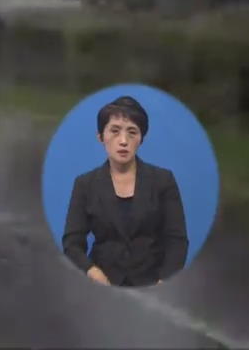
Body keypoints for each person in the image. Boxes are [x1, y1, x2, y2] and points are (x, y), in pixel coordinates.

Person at [62, 96, 189, 287]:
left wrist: (163, 282)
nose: (123, 141)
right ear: (101, 137)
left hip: (153, 283)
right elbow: (72, 243)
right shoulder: (85, 184)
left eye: (132, 132)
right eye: (114, 131)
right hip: (101, 285)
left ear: (141, 139)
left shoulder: (163, 180)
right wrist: (93, 273)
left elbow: (177, 241)